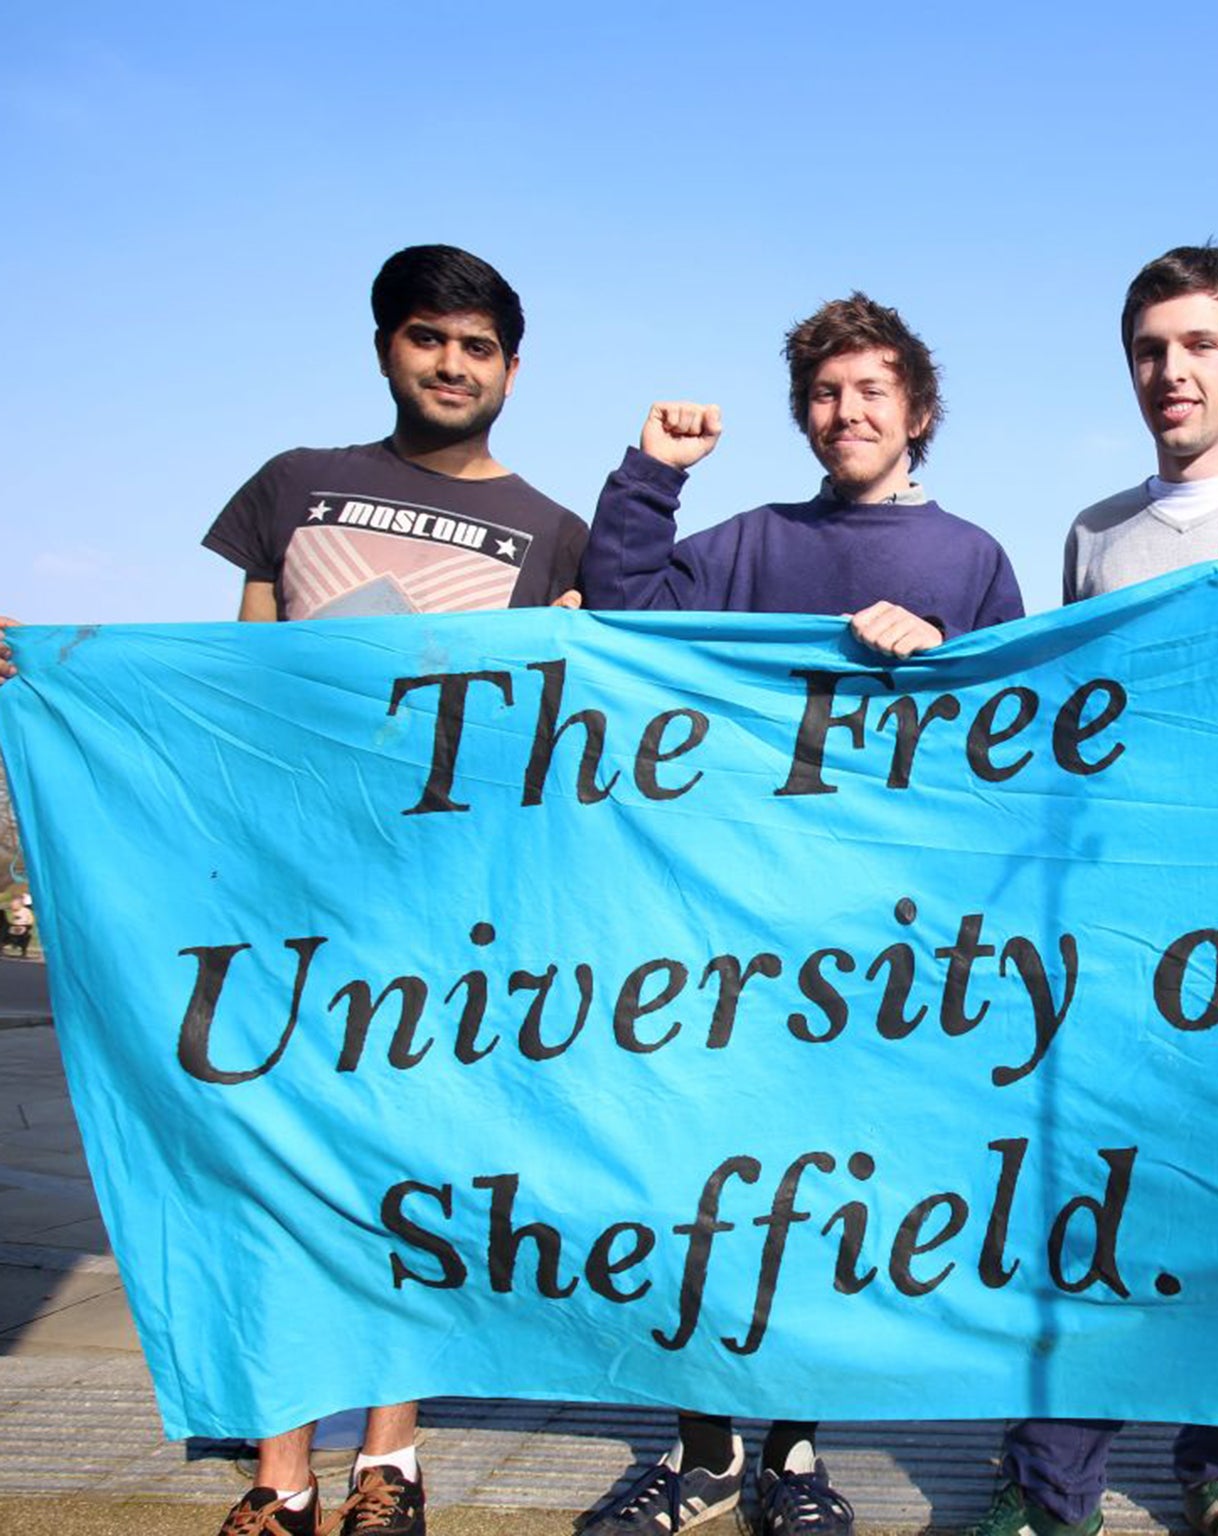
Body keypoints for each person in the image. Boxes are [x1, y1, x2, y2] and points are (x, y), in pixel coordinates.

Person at [576, 291, 1023, 1536]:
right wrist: (651, 474)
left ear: (917, 411)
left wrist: (941, 653)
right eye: (826, 394)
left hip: (880, 946)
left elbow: (1022, 739)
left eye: (872, 390)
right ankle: (701, 1449)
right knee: (706, 1189)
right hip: (728, 931)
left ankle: (798, 1452)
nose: (847, 412)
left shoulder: (971, 557)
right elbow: (621, 607)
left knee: (823, 1200)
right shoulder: (747, 542)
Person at [197, 243, 587, 1536]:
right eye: (429, 337)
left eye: (479, 347)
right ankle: (278, 1471)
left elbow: (562, 727)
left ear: (514, 372)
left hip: (439, 917)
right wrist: (68, 672)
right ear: (386, 347)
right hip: (286, 895)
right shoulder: (293, 490)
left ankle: (390, 1465)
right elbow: (232, 691)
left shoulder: (553, 532)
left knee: (407, 1181)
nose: (453, 364)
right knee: (280, 1175)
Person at [967, 245, 1218, 1536]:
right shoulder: (1093, 530)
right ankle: (1050, 1478)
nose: (1170, 372)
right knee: (1091, 1192)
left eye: (1196, 346)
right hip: (1122, 924)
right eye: (1148, 349)